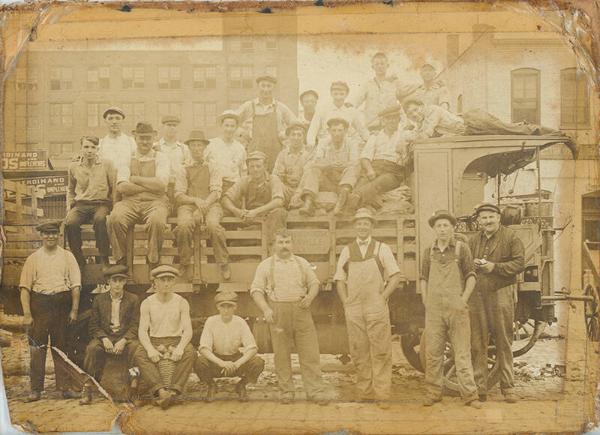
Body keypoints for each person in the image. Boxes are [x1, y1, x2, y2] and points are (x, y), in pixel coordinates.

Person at [334, 208, 404, 408]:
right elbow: (339, 279)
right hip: (354, 307)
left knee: (380, 350)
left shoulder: (381, 248)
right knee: (359, 350)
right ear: (355, 226)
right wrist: (346, 301)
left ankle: (382, 394)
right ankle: (365, 393)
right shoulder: (348, 250)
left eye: (366, 223)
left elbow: (395, 276)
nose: (362, 226)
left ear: (372, 226)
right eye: (359, 223)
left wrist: (382, 297)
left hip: (376, 305)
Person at [250, 229, 328, 405]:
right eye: (280, 242)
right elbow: (256, 290)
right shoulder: (266, 265)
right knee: (281, 354)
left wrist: (309, 297)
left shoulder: (301, 263)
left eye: (287, 242)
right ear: (274, 245)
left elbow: (314, 283)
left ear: (292, 244)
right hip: (278, 312)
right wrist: (266, 309)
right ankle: (286, 392)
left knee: (310, 352)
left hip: (301, 310)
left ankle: (315, 391)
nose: (284, 246)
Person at [420, 210, 482, 409]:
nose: (442, 229)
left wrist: (463, 299)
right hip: (434, 309)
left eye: (446, 225)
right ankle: (433, 393)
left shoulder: (462, 249)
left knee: (462, 352)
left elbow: (471, 275)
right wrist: (426, 300)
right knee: (433, 352)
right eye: (438, 226)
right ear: (434, 229)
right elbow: (424, 278)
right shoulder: (428, 251)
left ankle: (470, 395)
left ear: (452, 227)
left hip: (457, 308)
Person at [19, 220, 81, 402]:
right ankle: (36, 389)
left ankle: (64, 388)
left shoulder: (67, 256)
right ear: (42, 236)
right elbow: (25, 288)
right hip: (40, 305)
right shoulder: (34, 258)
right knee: (37, 349)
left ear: (59, 235)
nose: (51, 237)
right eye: (47, 233)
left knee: (61, 348)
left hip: (61, 304)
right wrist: (27, 314)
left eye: (54, 233)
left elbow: (76, 286)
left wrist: (74, 310)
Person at [469, 202, 525, 403]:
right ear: (479, 221)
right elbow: (466, 264)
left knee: (503, 340)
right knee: (478, 341)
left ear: (499, 218)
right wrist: (473, 265)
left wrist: (494, 267)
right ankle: (480, 388)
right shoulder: (474, 240)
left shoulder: (511, 237)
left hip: (501, 293)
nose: (487, 221)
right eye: (483, 218)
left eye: (491, 216)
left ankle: (508, 387)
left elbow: (519, 263)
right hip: (477, 295)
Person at [108, 122, 170, 271]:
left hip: (155, 202)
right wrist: (149, 186)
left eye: (148, 138)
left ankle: (153, 260)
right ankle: (121, 260)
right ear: (135, 138)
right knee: (114, 218)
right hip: (130, 202)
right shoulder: (126, 158)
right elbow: (122, 186)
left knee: (158, 221)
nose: (145, 142)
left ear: (154, 138)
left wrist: (135, 179)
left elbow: (161, 186)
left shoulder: (161, 158)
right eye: (141, 138)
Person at [133, 265, 196, 409]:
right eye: (162, 280)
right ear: (155, 282)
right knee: (139, 354)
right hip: (155, 340)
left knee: (190, 352)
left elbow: (188, 330)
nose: (166, 283)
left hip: (175, 339)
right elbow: (142, 331)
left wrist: (180, 348)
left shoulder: (181, 302)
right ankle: (161, 391)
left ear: (174, 282)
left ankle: (174, 390)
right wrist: (150, 349)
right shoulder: (147, 303)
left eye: (170, 280)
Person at [174, 130, 230, 281]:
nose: (197, 149)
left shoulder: (213, 166)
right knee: (183, 225)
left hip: (211, 204)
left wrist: (203, 205)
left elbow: (216, 191)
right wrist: (195, 202)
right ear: (189, 148)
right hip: (189, 205)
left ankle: (223, 262)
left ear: (204, 147)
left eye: (199, 145)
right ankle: (184, 261)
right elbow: (179, 194)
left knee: (213, 225)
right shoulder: (183, 168)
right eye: (193, 145)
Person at [80, 265, 140, 405]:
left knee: (136, 349)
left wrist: (124, 340)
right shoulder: (99, 300)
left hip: (125, 337)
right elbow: (93, 326)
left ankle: (134, 388)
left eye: (121, 280)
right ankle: (87, 388)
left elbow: (135, 325)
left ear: (125, 282)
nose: (118, 284)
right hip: (105, 337)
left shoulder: (133, 299)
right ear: (108, 282)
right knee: (92, 349)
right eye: (114, 280)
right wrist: (104, 338)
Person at [194, 291, 265, 402]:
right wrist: (221, 362)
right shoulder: (211, 321)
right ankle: (211, 385)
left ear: (235, 307)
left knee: (258, 362)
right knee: (200, 362)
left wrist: (237, 364)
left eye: (230, 306)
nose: (226, 310)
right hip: (217, 361)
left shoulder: (240, 322)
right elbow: (204, 348)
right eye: (223, 306)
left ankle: (241, 385)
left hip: (235, 360)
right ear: (218, 307)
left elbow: (252, 348)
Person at [346, 105, 409, 214]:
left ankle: (354, 200)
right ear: (383, 120)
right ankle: (363, 205)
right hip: (375, 167)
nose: (392, 121)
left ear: (399, 119)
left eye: (395, 118)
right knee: (362, 183)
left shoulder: (404, 135)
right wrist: (370, 170)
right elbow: (365, 157)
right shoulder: (375, 136)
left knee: (378, 183)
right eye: (389, 118)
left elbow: (407, 159)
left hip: (393, 171)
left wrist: (403, 149)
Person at [65, 136, 115, 270]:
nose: (89, 150)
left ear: (97, 149)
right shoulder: (73, 166)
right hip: (81, 204)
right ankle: (79, 259)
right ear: (81, 148)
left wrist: (113, 206)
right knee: (70, 222)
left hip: (100, 204)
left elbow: (113, 187)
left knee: (100, 220)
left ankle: (104, 258)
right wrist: (70, 206)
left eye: (93, 147)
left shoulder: (107, 164)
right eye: (86, 147)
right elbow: (70, 189)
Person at [221, 151, 287, 248]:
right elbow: (225, 199)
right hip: (252, 221)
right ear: (248, 168)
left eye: (258, 166)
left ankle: (267, 249)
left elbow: (278, 201)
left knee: (279, 213)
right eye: (252, 166)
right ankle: (246, 242)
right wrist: (237, 211)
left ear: (265, 167)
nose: (255, 169)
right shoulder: (244, 180)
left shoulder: (273, 179)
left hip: (269, 219)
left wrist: (256, 211)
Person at [403, 99, 561, 139]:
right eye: (411, 115)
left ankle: (558, 134)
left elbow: (425, 134)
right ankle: (524, 125)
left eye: (415, 110)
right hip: (472, 128)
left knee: (512, 130)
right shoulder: (423, 121)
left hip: (475, 122)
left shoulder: (431, 111)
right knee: (510, 129)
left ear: (421, 106)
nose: (414, 115)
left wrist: (410, 136)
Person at [297, 118, 360, 217]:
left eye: (340, 130)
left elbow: (355, 162)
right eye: (334, 130)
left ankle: (340, 205)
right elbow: (316, 162)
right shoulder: (323, 142)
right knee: (314, 170)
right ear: (329, 131)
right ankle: (308, 203)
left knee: (352, 170)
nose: (337, 134)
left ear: (346, 131)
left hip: (344, 184)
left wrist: (342, 165)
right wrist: (329, 165)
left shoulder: (351, 143)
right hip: (328, 181)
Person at [235, 74, 297, 169]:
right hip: (254, 153)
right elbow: (231, 120)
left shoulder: (280, 107)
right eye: (263, 86)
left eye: (269, 86)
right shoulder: (249, 106)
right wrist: (242, 133)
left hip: (275, 152)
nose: (266, 89)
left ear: (273, 88)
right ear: (258, 87)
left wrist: (283, 135)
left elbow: (296, 125)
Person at [352, 52, 413, 129]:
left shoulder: (395, 83)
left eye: (382, 64)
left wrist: (407, 122)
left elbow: (405, 101)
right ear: (372, 67)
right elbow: (355, 102)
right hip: (372, 126)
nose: (380, 66)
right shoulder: (367, 85)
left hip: (391, 125)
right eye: (377, 64)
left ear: (387, 65)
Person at [306, 81, 369, 149]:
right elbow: (313, 129)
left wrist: (369, 139)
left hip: (345, 147)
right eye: (335, 94)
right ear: (331, 93)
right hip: (326, 146)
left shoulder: (352, 111)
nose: (338, 97)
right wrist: (311, 143)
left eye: (341, 94)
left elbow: (362, 129)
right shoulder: (322, 110)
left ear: (346, 94)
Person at [204, 111, 247, 195]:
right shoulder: (210, 144)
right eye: (226, 125)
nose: (229, 129)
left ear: (236, 128)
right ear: (221, 126)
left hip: (233, 186)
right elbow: (202, 165)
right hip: (213, 187)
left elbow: (243, 172)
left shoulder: (240, 148)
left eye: (232, 126)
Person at [153, 115, 191, 204]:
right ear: (162, 127)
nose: (171, 128)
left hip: (179, 188)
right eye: (169, 125)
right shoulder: (155, 146)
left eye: (174, 125)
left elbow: (188, 168)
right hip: (161, 188)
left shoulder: (183, 148)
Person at [272, 122, 311, 208]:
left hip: (302, 190)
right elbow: (277, 175)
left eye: (299, 135)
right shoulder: (282, 154)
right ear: (288, 137)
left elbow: (307, 177)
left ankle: (297, 203)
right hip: (286, 189)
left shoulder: (308, 154)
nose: (296, 138)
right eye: (293, 135)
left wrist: (298, 193)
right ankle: (281, 204)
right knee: (273, 179)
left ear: (303, 137)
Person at [98, 106, 137, 171]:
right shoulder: (100, 143)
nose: (114, 122)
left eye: (118, 118)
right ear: (105, 121)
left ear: (123, 121)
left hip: (127, 179)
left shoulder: (131, 142)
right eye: (110, 118)